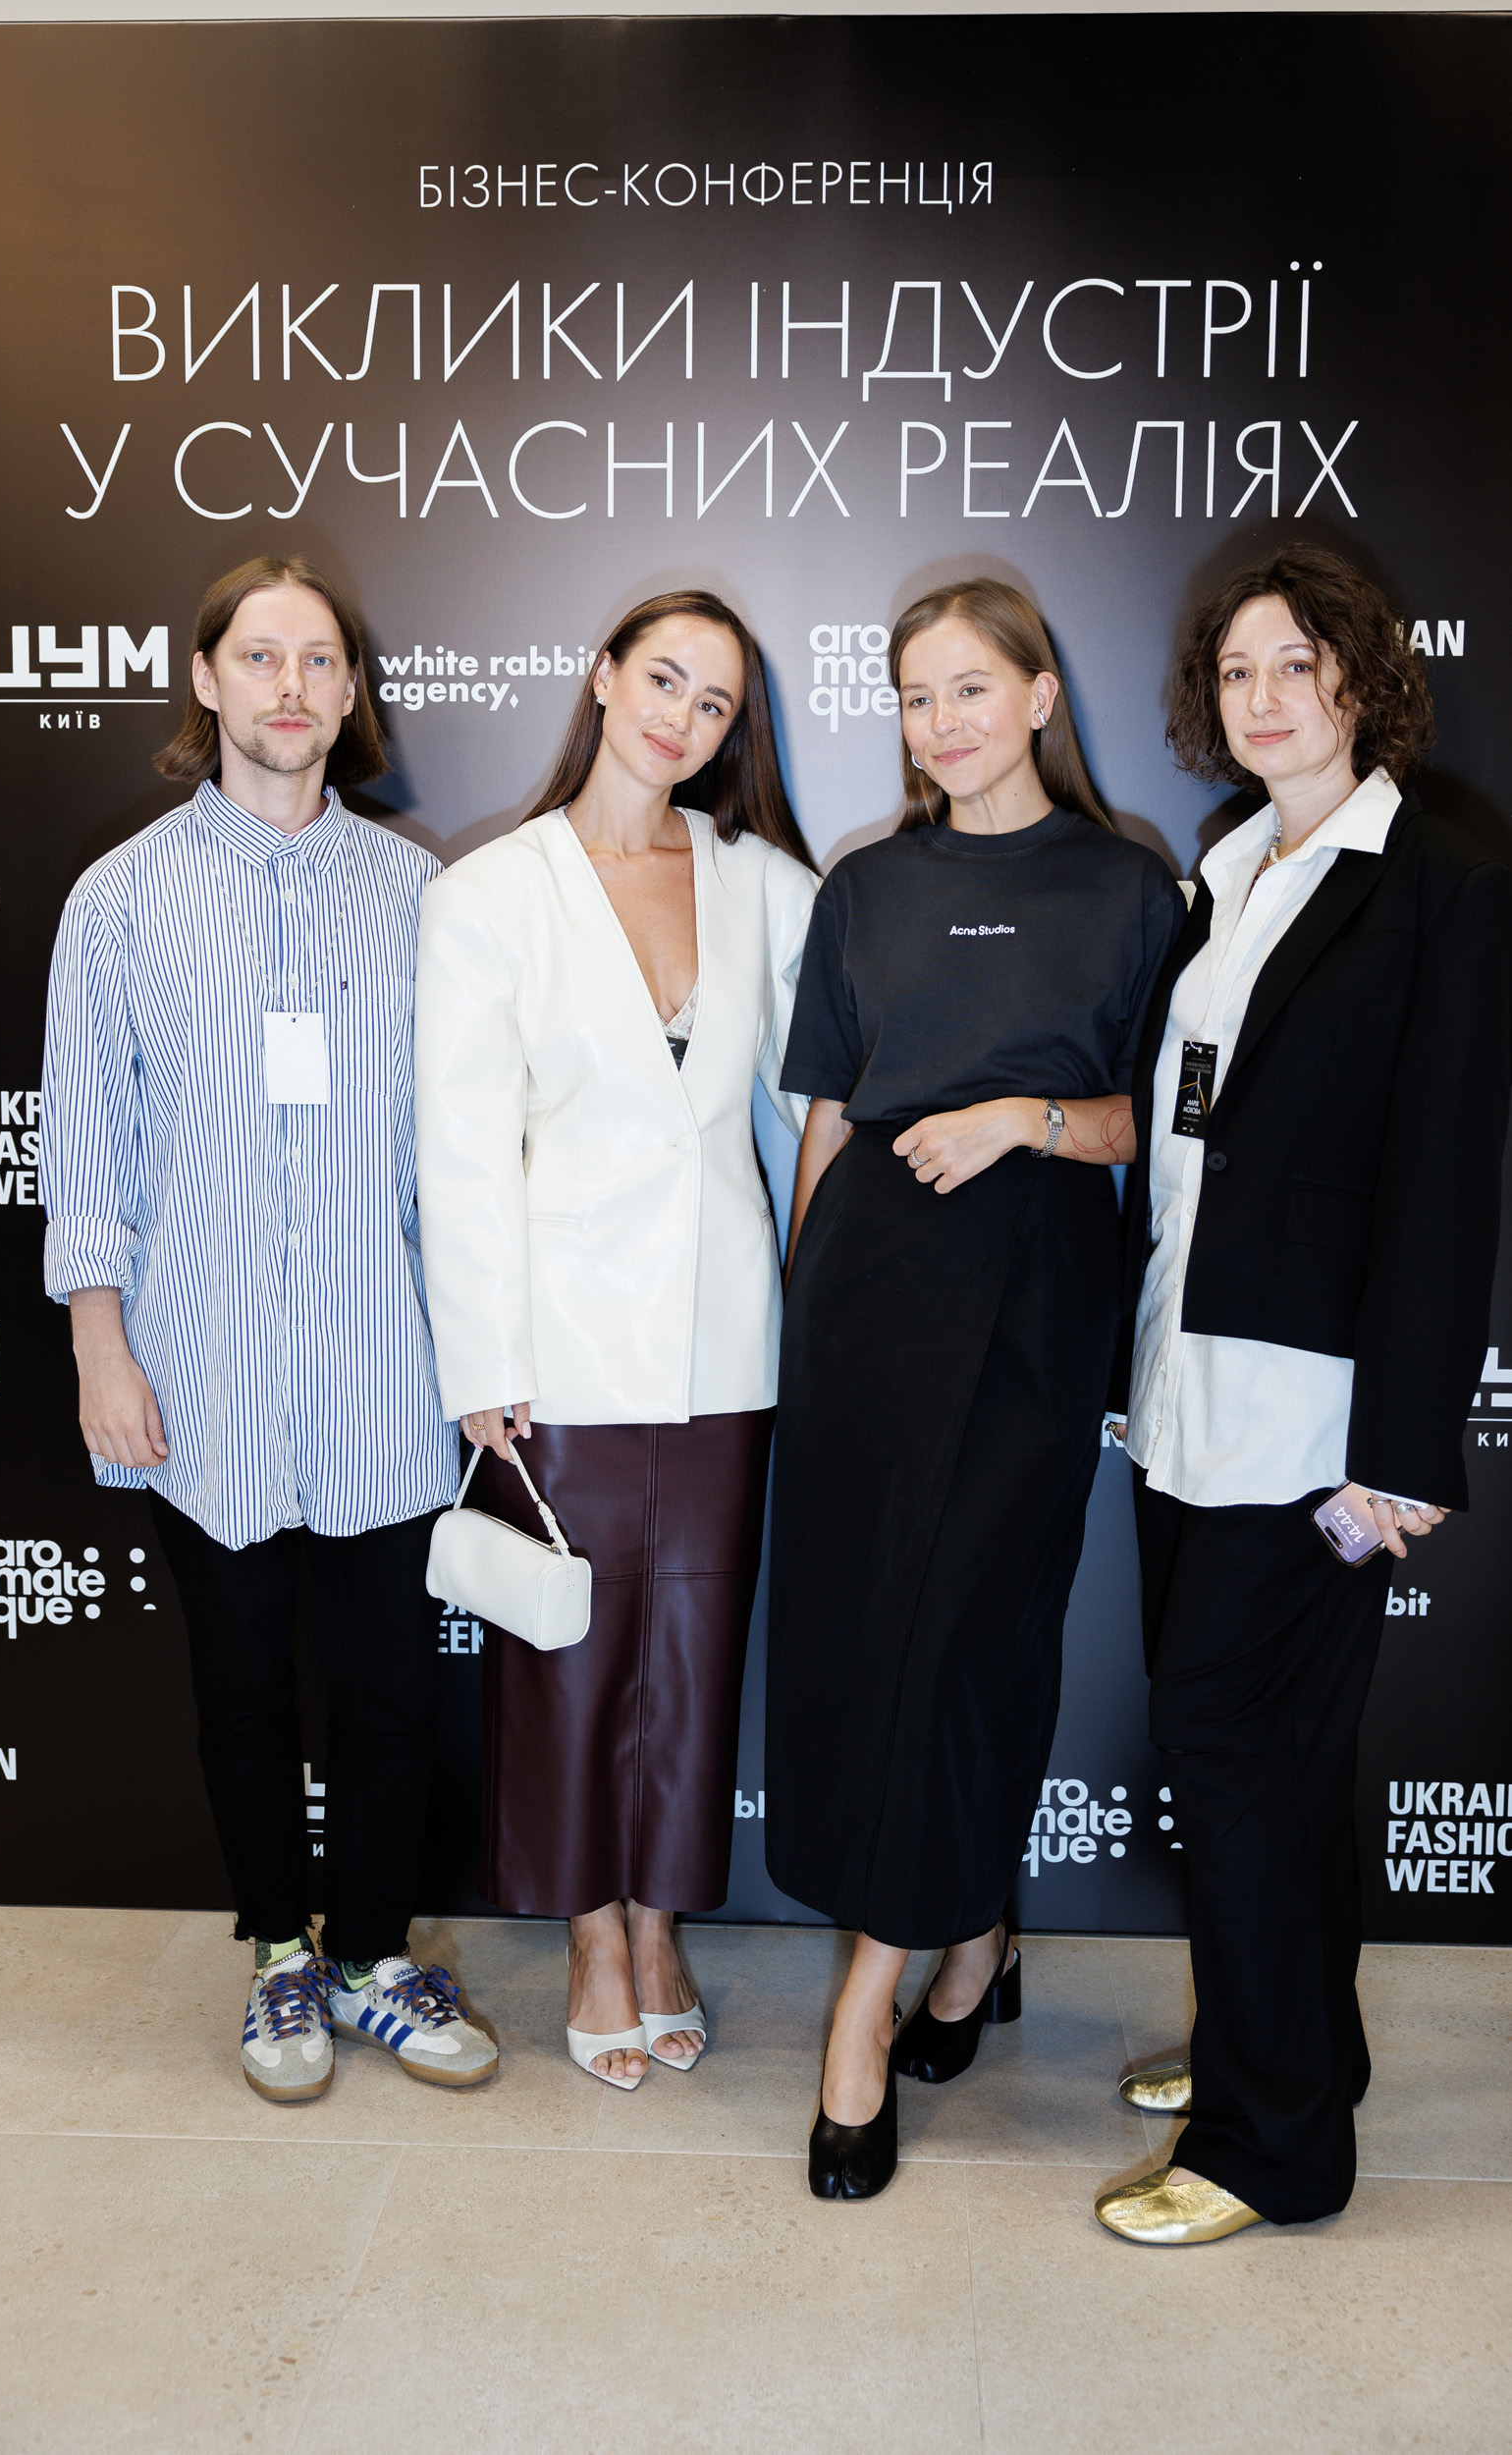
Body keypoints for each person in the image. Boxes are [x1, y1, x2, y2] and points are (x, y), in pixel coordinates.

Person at [1094, 546, 1511, 2245]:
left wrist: (1400, 1453)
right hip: (1184, 1393)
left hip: (1312, 1428)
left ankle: (1276, 2150)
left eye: (1298, 662)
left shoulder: (1441, 884)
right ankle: (1293, 2047)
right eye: (1238, 670)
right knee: (1275, 1763)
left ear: (1361, 676)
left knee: (1232, 1755)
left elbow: (1444, 1186)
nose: (1265, 696)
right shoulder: (1227, 870)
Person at [39, 554, 497, 2104]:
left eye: (317, 660)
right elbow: (86, 1142)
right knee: (238, 1694)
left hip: (386, 1373)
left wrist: (481, 1356)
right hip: (201, 1375)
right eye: (259, 656)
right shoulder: (120, 900)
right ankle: (276, 1958)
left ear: (351, 692)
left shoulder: (422, 896)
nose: (288, 686)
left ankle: (371, 1957)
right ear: (206, 679)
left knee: (390, 1697)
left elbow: (460, 1154)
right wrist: (101, 1346)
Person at [766, 578, 1185, 2199]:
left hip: (1031, 1299)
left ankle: (863, 2014)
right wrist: (804, 1311)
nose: (940, 723)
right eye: (914, 697)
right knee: (869, 1633)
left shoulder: (1131, 887)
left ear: (1038, 695)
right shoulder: (865, 886)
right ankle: (972, 1932)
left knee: (968, 1633)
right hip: (866, 1302)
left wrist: (1027, 1119)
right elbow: (826, 1115)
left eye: (969, 689)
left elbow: (1171, 1122)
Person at [415, 589, 818, 2089]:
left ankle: (662, 1927)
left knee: (695, 1659)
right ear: (601, 677)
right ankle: (592, 1936)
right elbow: (460, 1149)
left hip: (723, 1345)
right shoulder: (491, 892)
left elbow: (824, 1103)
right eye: (663, 680)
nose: (681, 720)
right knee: (569, 1663)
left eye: (714, 704)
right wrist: (483, 1365)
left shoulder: (763, 884)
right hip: (559, 1346)